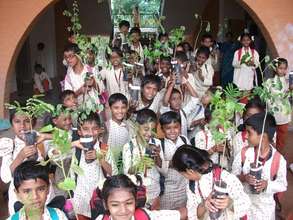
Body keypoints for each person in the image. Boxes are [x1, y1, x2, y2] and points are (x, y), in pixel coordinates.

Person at [232, 112, 287, 220]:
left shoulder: (278, 160)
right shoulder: (243, 153)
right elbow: (233, 175)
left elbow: (283, 184)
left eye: (249, 132)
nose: (246, 136)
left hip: (264, 211)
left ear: (263, 136)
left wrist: (267, 185)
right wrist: (244, 178)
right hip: (244, 207)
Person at [172, 146, 250, 220]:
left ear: (190, 171)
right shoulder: (191, 185)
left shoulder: (225, 177)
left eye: (183, 174)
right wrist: (204, 205)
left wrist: (229, 203)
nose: (185, 177)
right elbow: (192, 213)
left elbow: (246, 204)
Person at [0, 110, 52, 214]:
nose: (22, 126)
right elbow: (5, 178)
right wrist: (21, 156)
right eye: (17, 121)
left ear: (33, 122)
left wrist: (47, 136)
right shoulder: (10, 145)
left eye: (27, 121)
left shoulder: (41, 140)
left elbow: (70, 140)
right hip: (21, 199)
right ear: (12, 124)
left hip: (44, 197)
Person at [73, 112, 116, 219]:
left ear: (100, 130)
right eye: (86, 129)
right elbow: (53, 153)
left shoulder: (104, 148)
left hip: (99, 199)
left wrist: (100, 158)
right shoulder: (75, 148)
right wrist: (72, 144)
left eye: (94, 128)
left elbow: (113, 172)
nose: (91, 133)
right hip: (80, 200)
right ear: (79, 131)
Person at [122, 109, 163, 209]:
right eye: (145, 129)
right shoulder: (129, 146)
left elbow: (163, 169)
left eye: (152, 130)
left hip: (155, 191)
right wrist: (141, 163)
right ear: (137, 126)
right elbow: (127, 172)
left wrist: (157, 156)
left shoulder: (157, 142)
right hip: (138, 193)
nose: (149, 133)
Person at [95, 174, 182, 220]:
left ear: (135, 201)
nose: (123, 210)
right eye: (115, 205)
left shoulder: (147, 216)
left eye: (128, 203)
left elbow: (180, 214)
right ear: (105, 205)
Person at [159, 111, 189, 210]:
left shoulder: (184, 140)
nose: (172, 131)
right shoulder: (160, 144)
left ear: (180, 127)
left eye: (176, 127)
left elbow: (191, 158)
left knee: (183, 213)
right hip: (168, 190)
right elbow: (160, 166)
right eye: (168, 128)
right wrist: (180, 161)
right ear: (162, 129)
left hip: (184, 187)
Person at [265, 58, 292, 151]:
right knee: (271, 137)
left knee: (282, 137)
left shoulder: (288, 82)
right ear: (275, 68)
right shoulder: (269, 82)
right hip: (273, 114)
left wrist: (290, 90)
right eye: (280, 68)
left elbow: (288, 97)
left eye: (284, 68)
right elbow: (267, 98)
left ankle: (279, 155)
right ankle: (270, 156)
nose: (283, 70)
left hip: (284, 114)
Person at [105, 93, 130, 169]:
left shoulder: (126, 127)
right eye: (116, 108)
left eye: (123, 107)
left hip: (122, 165)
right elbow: (103, 148)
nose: (120, 111)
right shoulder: (107, 125)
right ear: (110, 108)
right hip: (108, 165)